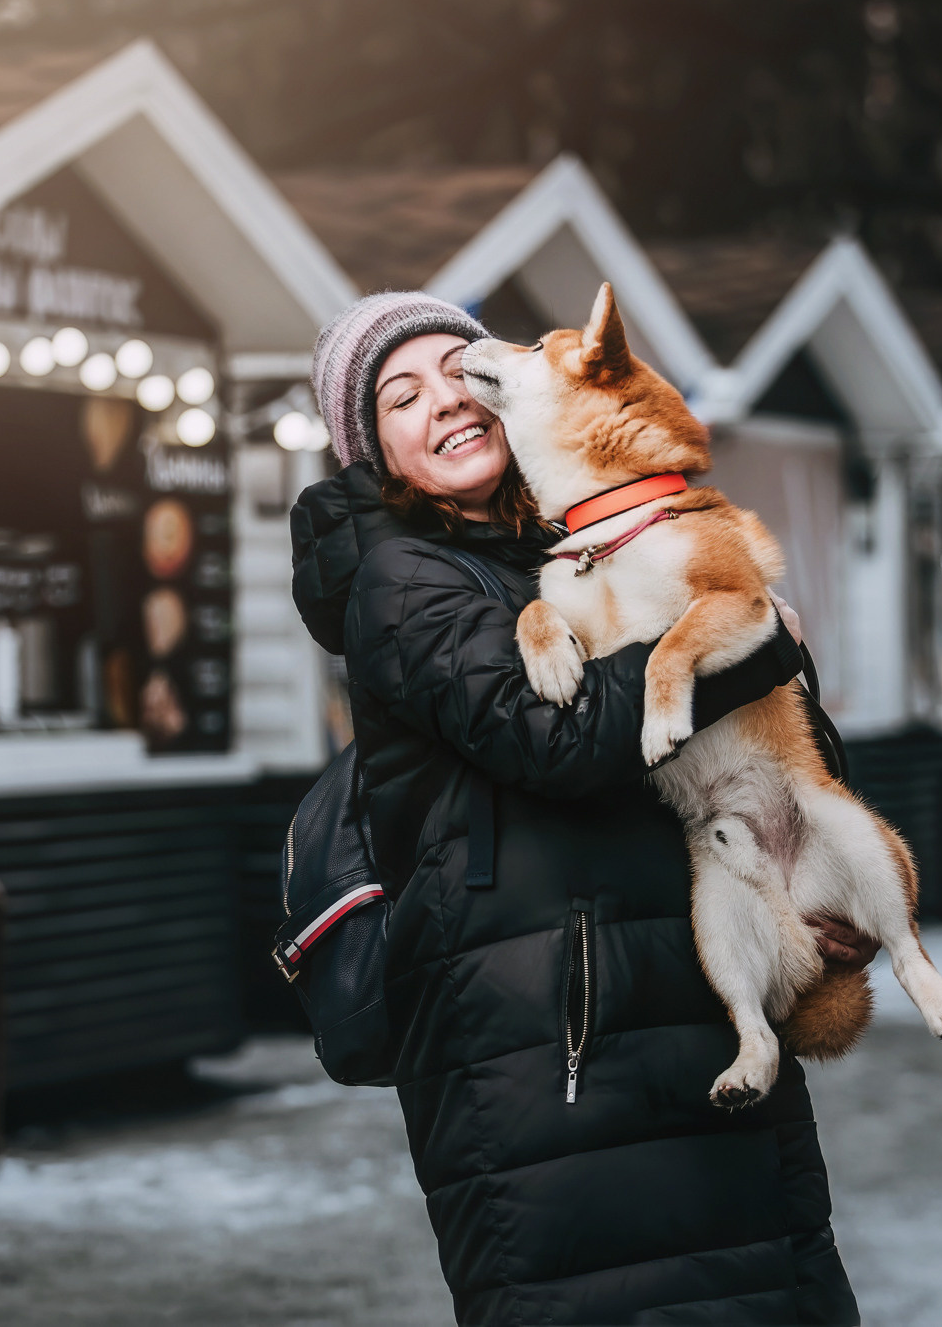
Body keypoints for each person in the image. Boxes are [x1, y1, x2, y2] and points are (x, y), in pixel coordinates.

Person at [291, 292, 868, 1325]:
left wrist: (814, 874)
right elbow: (551, 738)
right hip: (554, 1053)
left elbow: (776, 739)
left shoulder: (593, 536)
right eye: (400, 397)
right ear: (371, 453)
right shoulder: (400, 579)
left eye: (461, 373)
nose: (445, 402)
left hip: (699, 1007)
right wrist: (749, 640)